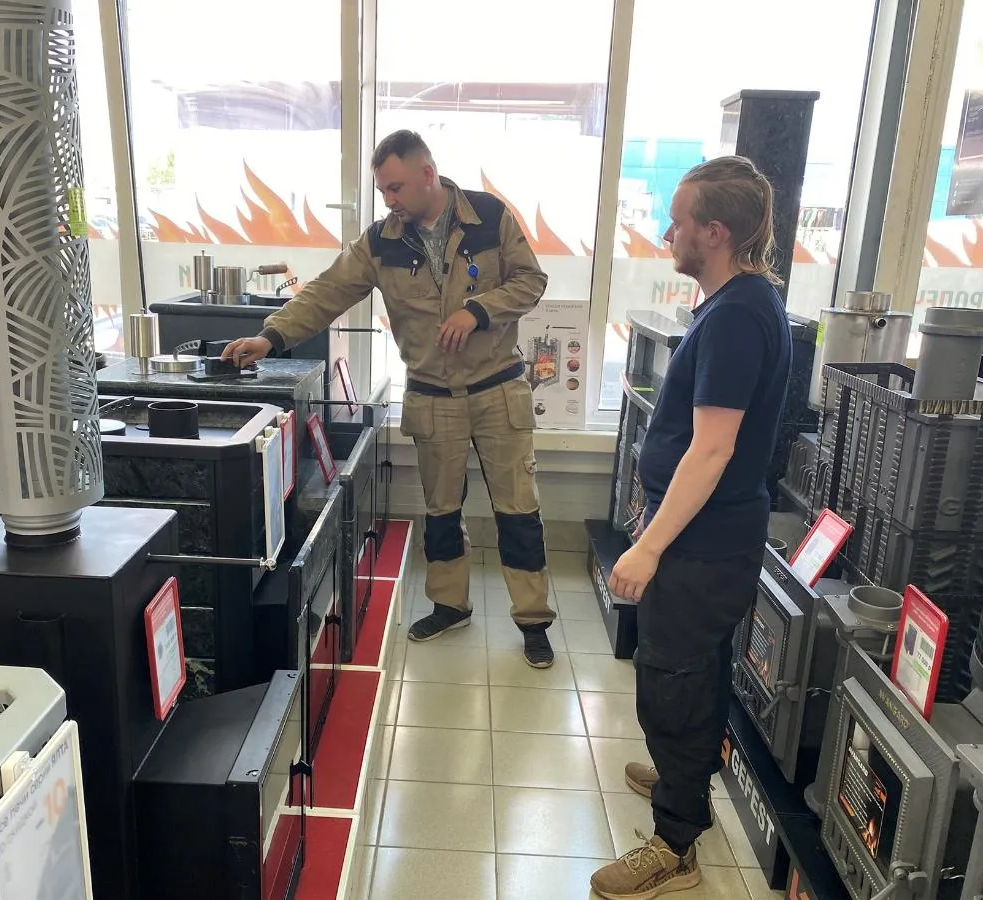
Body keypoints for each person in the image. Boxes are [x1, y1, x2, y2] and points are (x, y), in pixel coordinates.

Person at [221, 129, 558, 667]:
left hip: (497, 388)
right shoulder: (381, 241)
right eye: (383, 190)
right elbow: (328, 291)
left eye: (396, 187)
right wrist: (271, 336)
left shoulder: (490, 216)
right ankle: (449, 605)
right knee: (441, 511)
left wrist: (478, 311)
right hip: (432, 395)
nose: (389, 200)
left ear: (428, 173)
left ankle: (534, 621)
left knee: (518, 511)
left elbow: (531, 281)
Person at [590, 156, 792, 900]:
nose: (665, 232)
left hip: (702, 546)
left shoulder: (737, 316)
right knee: (693, 671)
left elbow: (712, 449)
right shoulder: (736, 302)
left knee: (671, 682)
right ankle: (685, 773)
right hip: (703, 536)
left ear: (715, 231)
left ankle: (675, 847)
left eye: (677, 221)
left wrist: (649, 545)